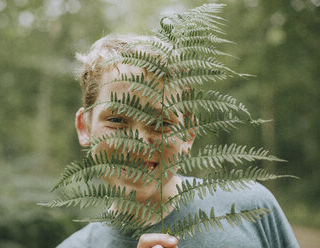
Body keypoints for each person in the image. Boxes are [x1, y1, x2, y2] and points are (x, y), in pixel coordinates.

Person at [57, 34, 299, 248]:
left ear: (188, 135)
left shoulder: (252, 208)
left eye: (161, 123)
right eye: (118, 119)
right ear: (84, 127)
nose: (139, 143)